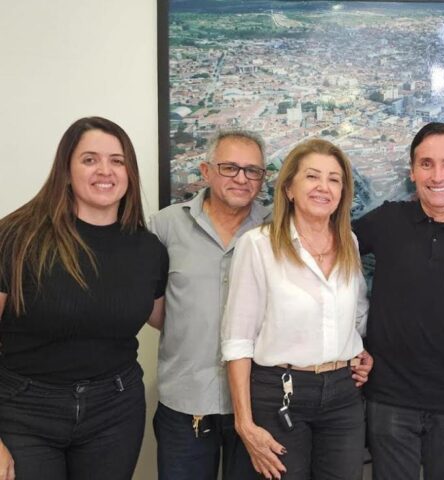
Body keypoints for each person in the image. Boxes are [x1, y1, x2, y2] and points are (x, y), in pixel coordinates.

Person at [0, 116, 168, 479]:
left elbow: (169, 319)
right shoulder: (17, 237)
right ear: (66, 170)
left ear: (129, 172)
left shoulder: (148, 249)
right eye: (90, 159)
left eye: (117, 161)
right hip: (25, 411)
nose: (105, 170)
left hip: (114, 411)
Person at [353, 122, 444, 480]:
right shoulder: (386, 220)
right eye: (426, 164)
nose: (437, 176)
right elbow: (327, 262)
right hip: (389, 397)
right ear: (412, 171)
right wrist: (348, 344)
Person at [221, 139, 372, 480]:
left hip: (343, 395)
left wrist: (360, 351)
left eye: (334, 179)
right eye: (312, 176)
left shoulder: (349, 242)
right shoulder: (258, 246)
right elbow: (237, 341)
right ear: (289, 188)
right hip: (280, 394)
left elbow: (355, 314)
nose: (324, 187)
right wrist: (244, 422)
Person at [148, 130, 272, 479]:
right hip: (184, 402)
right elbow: (151, 306)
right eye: (229, 167)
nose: (241, 179)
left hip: (257, 404)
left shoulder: (274, 229)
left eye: (252, 171)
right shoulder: (164, 226)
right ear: (206, 171)